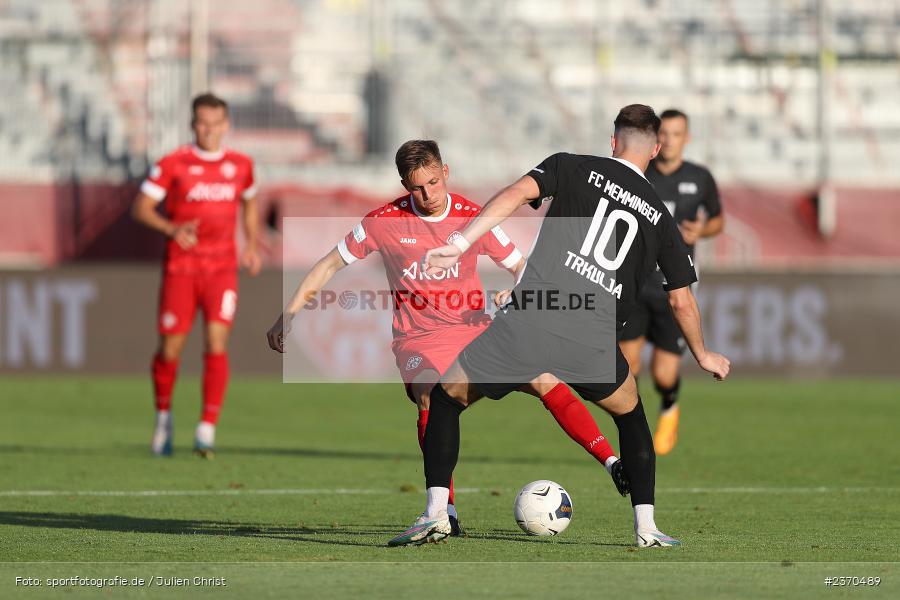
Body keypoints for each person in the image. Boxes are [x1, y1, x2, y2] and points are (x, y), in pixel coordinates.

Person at [388, 105, 730, 548]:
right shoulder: (661, 220)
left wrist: (460, 241)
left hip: (530, 320)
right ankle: (646, 527)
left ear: (613, 141)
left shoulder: (570, 166)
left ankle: (436, 514)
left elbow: (513, 194)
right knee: (631, 414)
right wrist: (703, 354)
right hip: (591, 338)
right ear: (655, 149)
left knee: (446, 399)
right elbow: (681, 299)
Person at [267, 140, 629, 536]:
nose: (427, 194)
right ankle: (444, 512)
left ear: (446, 172)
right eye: (417, 187)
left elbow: (521, 267)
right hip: (420, 340)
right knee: (430, 394)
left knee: (544, 377)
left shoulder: (473, 217)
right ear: (404, 184)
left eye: (434, 182)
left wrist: (520, 292)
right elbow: (330, 264)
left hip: (476, 331)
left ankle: (613, 462)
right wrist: (289, 314)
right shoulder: (382, 222)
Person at [132, 93, 261, 458]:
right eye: (202, 123)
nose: (209, 130)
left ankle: (206, 428)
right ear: (193, 125)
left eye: (216, 123)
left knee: (216, 343)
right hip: (181, 269)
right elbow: (140, 208)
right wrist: (171, 228)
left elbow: (250, 201)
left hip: (221, 269)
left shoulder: (241, 165)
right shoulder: (174, 163)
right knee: (170, 348)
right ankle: (163, 418)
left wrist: (251, 244)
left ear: (226, 125)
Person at [620, 108, 724, 455]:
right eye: (664, 134)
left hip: (675, 284)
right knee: (628, 366)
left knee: (664, 375)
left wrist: (702, 229)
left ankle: (669, 406)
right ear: (654, 138)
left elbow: (717, 220)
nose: (669, 140)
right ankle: (636, 428)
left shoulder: (700, 177)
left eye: (677, 134)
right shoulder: (639, 175)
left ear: (687, 138)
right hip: (636, 281)